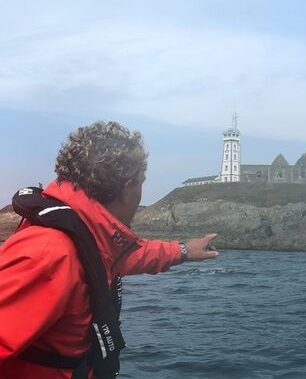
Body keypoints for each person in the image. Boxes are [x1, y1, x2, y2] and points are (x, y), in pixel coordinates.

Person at [0, 121, 218, 379]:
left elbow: (131, 255)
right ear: (128, 187)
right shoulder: (50, 254)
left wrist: (183, 251)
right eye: (142, 182)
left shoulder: (92, 239)